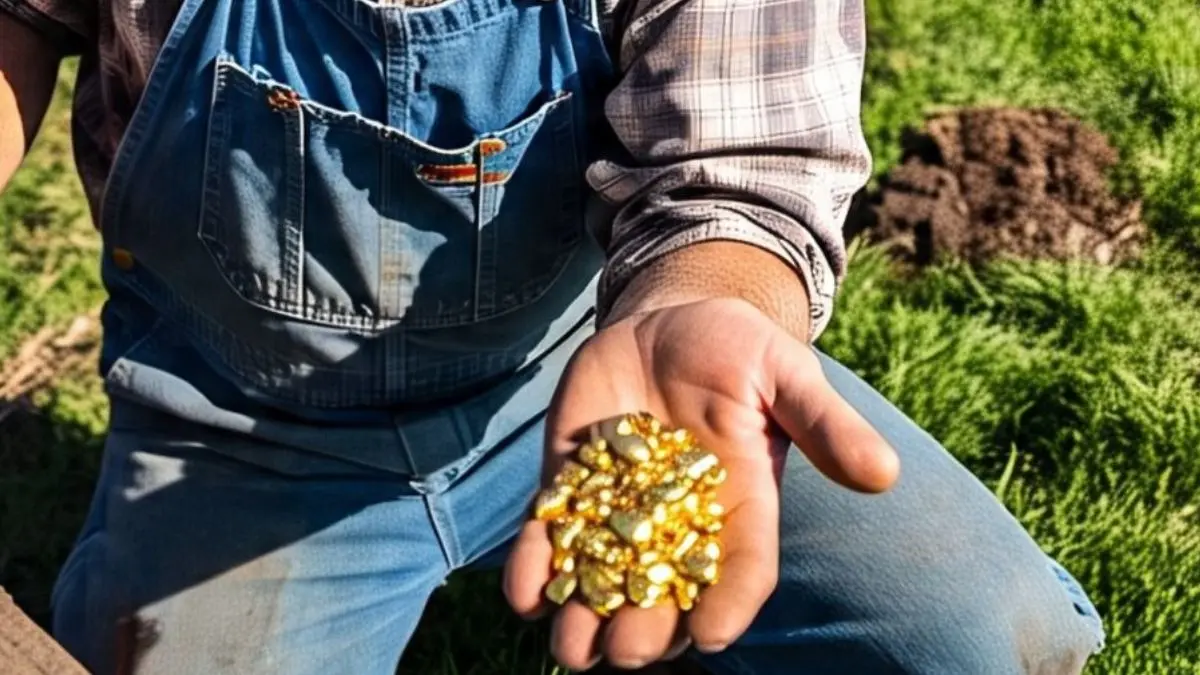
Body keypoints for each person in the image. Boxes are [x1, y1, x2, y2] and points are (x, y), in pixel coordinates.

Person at [0, 0, 1106, 671]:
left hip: (593, 380)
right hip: (244, 428)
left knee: (975, 637)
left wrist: (693, 305)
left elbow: (742, 180)